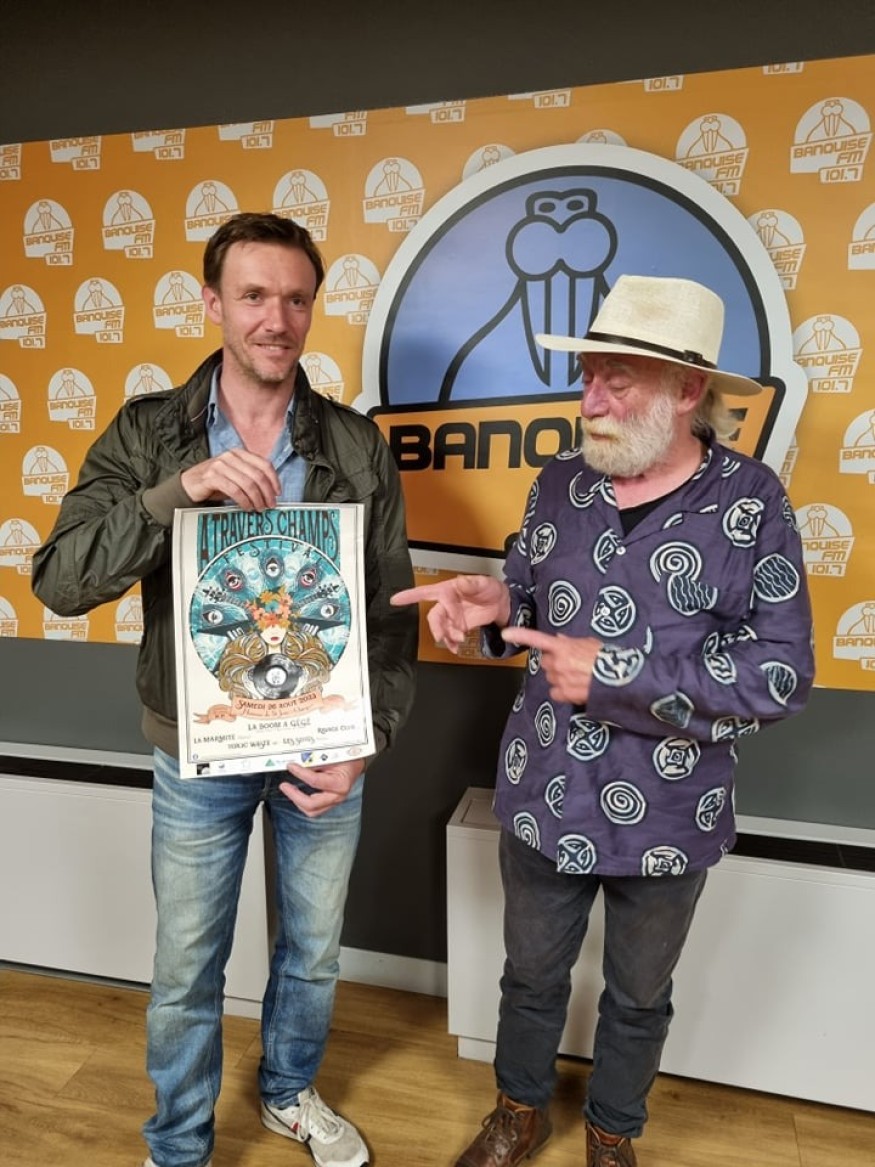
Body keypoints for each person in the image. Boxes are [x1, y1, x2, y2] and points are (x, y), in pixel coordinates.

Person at [392, 274, 814, 1167]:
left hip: (671, 813)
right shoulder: (558, 483)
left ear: (687, 389)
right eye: (586, 376)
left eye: (615, 381)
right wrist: (495, 601)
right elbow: (531, 600)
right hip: (545, 789)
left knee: (638, 994)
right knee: (529, 975)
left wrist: (617, 676)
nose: (588, 401)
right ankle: (517, 1111)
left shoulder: (752, 504)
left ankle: (612, 1131)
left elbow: (779, 674)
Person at [31, 211, 418, 1167]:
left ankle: (288, 1093)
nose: (275, 319)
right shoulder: (149, 432)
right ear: (212, 303)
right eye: (252, 295)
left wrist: (366, 739)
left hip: (321, 747)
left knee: (313, 951)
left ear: (312, 309)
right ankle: (177, 1145)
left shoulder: (356, 445)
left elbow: (388, 615)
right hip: (196, 749)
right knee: (186, 964)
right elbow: (61, 579)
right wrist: (178, 492)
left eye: (295, 298)